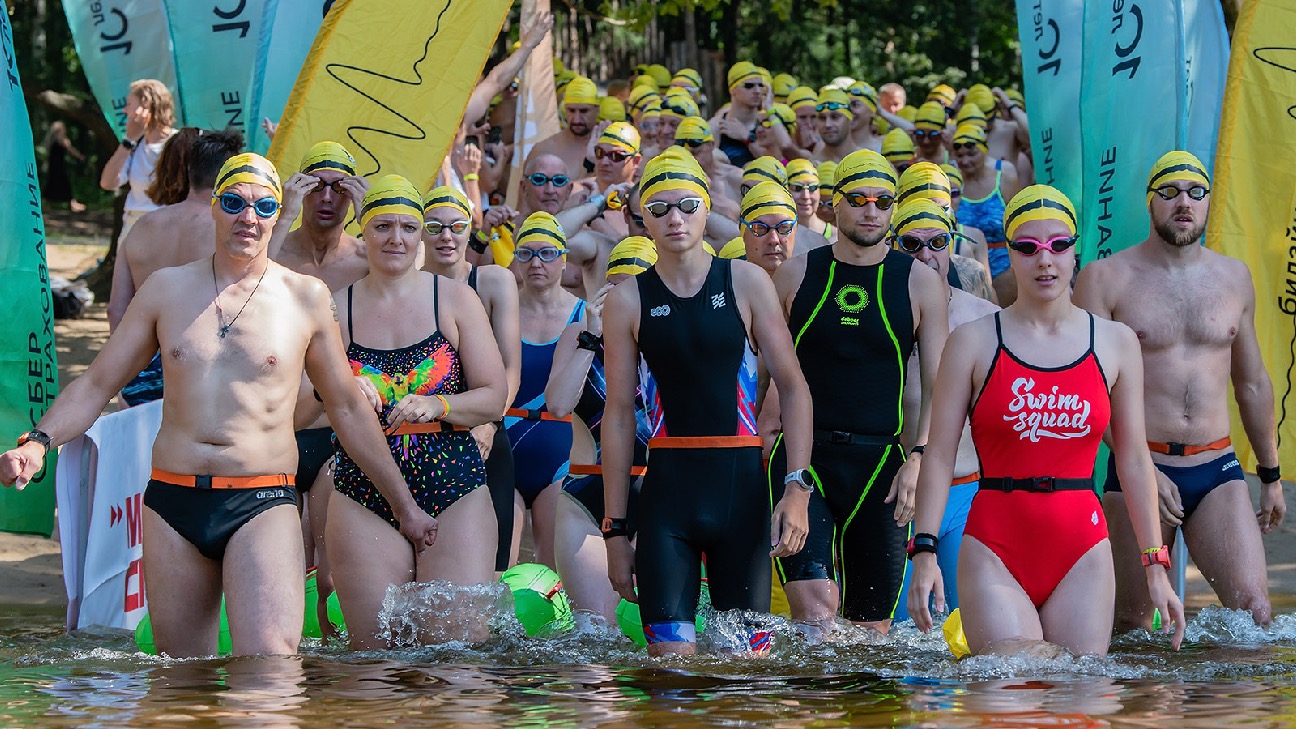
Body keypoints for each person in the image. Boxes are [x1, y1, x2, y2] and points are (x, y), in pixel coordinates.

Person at [1, 153, 431, 657]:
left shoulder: (305, 298)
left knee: (268, 676)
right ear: (214, 208)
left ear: (276, 214)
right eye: (234, 202)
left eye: (263, 206)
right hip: (173, 502)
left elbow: (347, 407)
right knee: (181, 683)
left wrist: (405, 507)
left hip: (262, 500)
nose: (248, 216)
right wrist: (40, 442)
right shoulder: (167, 288)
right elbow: (97, 383)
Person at [907, 185, 1185, 657]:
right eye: (1028, 247)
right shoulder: (973, 342)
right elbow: (938, 456)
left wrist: (1155, 565)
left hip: (1082, 545)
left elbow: (1136, 460)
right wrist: (925, 552)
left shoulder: (1115, 343)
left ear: (1076, 249)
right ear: (1010, 254)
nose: (1045, 260)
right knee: (1010, 687)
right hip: (995, 541)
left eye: (1058, 245)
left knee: (1078, 701)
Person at [601, 150, 814, 656]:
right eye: (659, 208)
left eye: (688, 204)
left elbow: (794, 386)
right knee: (671, 679)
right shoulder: (627, 299)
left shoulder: (745, 281)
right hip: (666, 501)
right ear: (642, 217)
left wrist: (797, 486)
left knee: (746, 676)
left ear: (706, 208)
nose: (675, 218)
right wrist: (615, 530)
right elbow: (618, 414)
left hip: (740, 494)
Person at [1073, 151, 1284, 628]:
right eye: (1169, 192)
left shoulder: (1234, 277)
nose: (1183, 202)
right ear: (1150, 204)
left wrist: (1270, 475)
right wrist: (1142, 467)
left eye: (1195, 192)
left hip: (1216, 466)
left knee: (1255, 618)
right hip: (1139, 467)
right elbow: (1089, 392)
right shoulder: (1105, 279)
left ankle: (1221, 705)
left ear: (1209, 201)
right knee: (1129, 627)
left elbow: (1251, 383)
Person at [323, 176, 507, 649]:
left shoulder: (454, 299)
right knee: (374, 661)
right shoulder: (334, 310)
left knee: (455, 659)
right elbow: (301, 404)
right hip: (362, 482)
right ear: (363, 231)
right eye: (383, 226)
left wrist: (437, 403)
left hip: (452, 480)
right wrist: (339, 387)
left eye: (409, 226)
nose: (397, 239)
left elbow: (493, 395)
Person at [768, 150, 948, 631]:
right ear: (834, 204)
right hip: (804, 462)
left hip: (882, 469)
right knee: (817, 618)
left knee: (871, 634)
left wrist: (919, 458)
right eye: (859, 199)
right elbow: (764, 378)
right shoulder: (795, 274)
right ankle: (808, 707)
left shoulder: (920, 283)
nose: (871, 210)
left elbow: (940, 387)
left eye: (883, 201)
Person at [888, 198, 999, 621]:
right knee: (895, 639)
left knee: (966, 632)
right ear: (893, 244)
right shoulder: (878, 314)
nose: (925, 255)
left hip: (967, 489)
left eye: (937, 242)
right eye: (912, 244)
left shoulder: (985, 317)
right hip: (897, 498)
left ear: (951, 243)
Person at [547, 238, 657, 622]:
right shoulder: (579, 333)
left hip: (657, 494)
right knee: (593, 638)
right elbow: (559, 404)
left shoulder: (672, 341)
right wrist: (592, 339)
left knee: (660, 637)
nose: (624, 299)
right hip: (587, 495)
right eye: (616, 287)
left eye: (636, 288)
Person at [421, 185, 521, 574]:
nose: (447, 236)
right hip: (422, 436)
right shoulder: (406, 284)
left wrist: (489, 421)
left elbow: (511, 367)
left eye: (457, 226)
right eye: (435, 226)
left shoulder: (494, 281)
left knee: (491, 571)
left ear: (470, 230)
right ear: (421, 231)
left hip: (485, 433)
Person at [108, 129, 243, 406]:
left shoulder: (141, 228)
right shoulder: (230, 233)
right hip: (204, 373)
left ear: (190, 172)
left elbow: (116, 309)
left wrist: (122, 376)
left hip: (141, 368)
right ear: (230, 177)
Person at [505, 213, 587, 568]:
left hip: (562, 451)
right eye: (525, 254)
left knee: (554, 570)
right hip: (503, 447)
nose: (536, 262)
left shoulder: (585, 316)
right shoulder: (499, 310)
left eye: (547, 253)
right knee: (498, 571)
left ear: (564, 259)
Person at [270, 142, 371, 291]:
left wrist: (370, 218)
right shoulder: (274, 253)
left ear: (353, 194)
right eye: (316, 185)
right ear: (298, 190)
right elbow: (248, 285)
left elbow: (407, 290)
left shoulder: (368, 261)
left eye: (339, 187)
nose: (327, 197)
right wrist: (285, 216)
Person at [99, 79, 177, 243]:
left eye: (129, 104)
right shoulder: (134, 145)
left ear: (146, 106)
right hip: (132, 229)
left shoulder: (178, 142)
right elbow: (107, 183)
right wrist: (128, 140)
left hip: (167, 230)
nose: (125, 110)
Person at [952, 124, 1021, 304]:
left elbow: (1020, 225)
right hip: (966, 266)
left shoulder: (1005, 180)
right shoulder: (953, 186)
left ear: (985, 150)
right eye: (960, 156)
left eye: (972, 154)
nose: (965, 160)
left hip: (1003, 265)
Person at [529, 76, 601, 183]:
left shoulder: (610, 152)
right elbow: (525, 195)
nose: (577, 119)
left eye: (584, 111)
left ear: (597, 110)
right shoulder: (546, 149)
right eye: (571, 111)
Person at [714, 61, 768, 168]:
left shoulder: (767, 124)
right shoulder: (716, 126)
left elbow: (775, 164)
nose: (757, 91)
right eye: (749, 86)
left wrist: (747, 137)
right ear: (732, 90)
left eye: (760, 85)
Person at [787, 159, 835, 246]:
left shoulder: (836, 237)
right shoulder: (778, 237)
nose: (806, 196)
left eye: (812, 188)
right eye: (797, 188)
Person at [43, 121, 87, 212]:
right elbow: (70, 150)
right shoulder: (62, 140)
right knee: (65, 183)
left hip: (53, 166)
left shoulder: (51, 140)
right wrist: (80, 157)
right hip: (59, 166)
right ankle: (73, 204)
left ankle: (43, 202)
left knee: (51, 183)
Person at [814, 88, 859, 163]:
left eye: (835, 117)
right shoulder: (812, 168)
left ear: (850, 119)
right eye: (822, 118)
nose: (827, 124)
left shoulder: (867, 161)